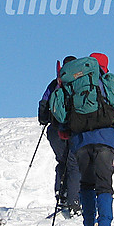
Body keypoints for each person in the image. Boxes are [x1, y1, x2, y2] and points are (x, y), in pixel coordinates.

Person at [49, 52, 114, 226]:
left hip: (81, 143)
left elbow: (63, 115)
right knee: (104, 186)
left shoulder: (73, 84)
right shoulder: (105, 81)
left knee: (87, 186)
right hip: (106, 141)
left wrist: (66, 132)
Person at [38, 56, 82, 217]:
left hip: (55, 130)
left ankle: (61, 195)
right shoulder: (80, 81)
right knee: (74, 164)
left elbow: (44, 102)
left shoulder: (56, 82)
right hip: (75, 129)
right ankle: (74, 201)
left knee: (62, 161)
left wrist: (44, 119)